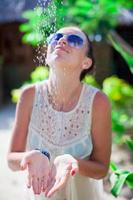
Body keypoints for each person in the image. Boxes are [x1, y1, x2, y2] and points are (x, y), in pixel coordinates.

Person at [7, 26, 112, 200]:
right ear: (47, 56)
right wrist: (29, 156)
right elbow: (11, 160)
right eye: (56, 37)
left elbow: (101, 169)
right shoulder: (29, 96)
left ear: (86, 62)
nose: (61, 41)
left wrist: (73, 163)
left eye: (74, 40)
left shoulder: (98, 102)